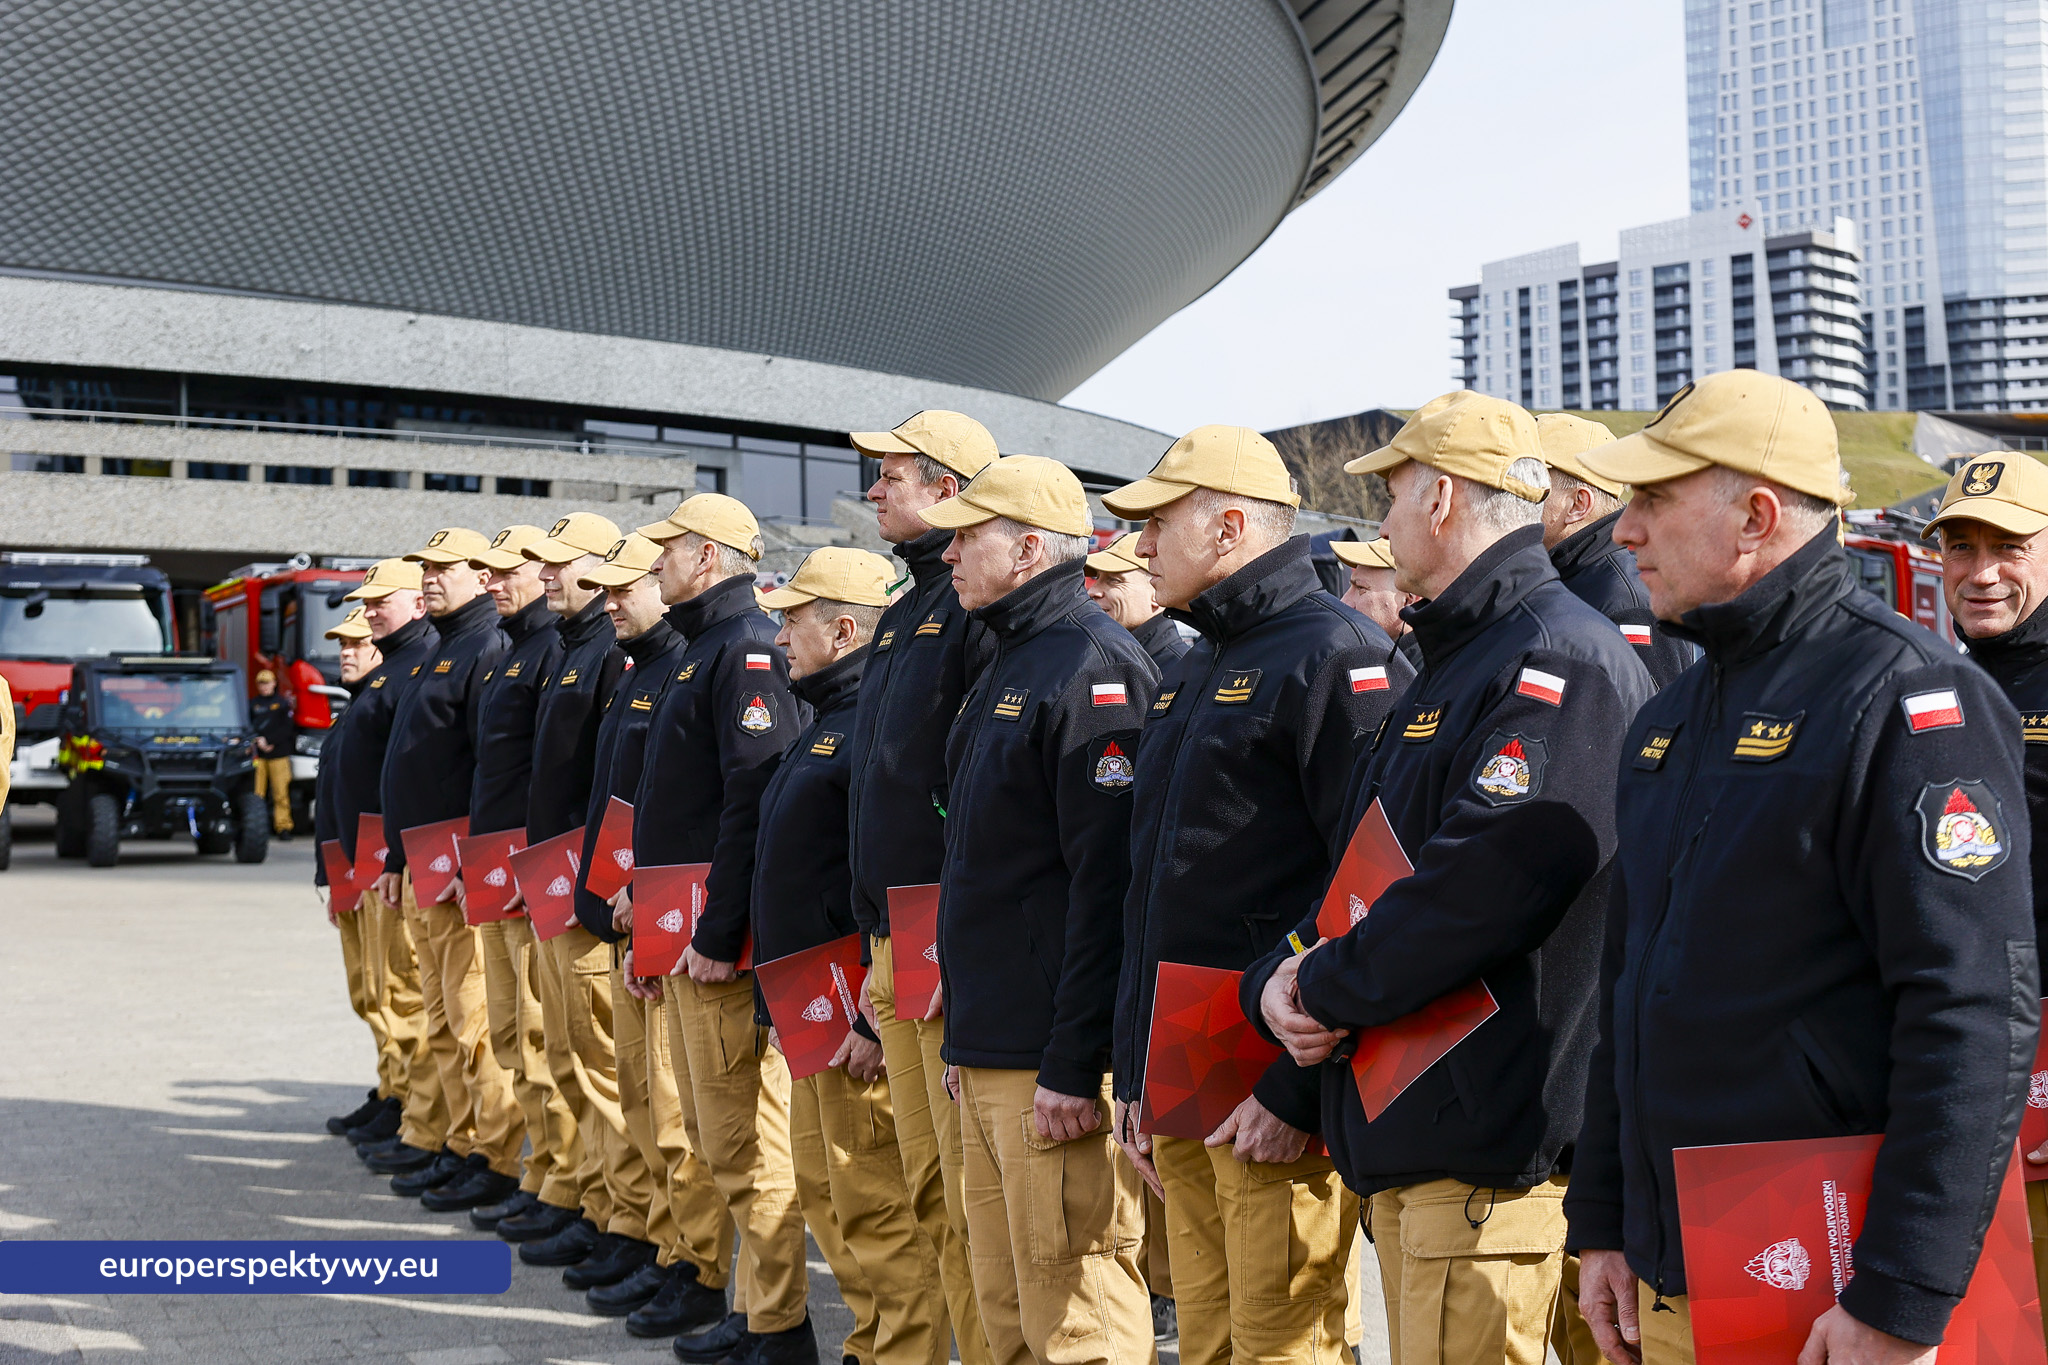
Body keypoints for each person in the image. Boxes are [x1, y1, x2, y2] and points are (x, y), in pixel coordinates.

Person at [1564, 372, 2035, 1365]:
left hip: (1828, 1281)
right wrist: (1603, 1220)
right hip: (1680, 1261)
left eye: (1651, 499)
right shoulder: (1669, 719)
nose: (1621, 532)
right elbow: (1629, 995)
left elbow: (1970, 1010)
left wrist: (1900, 1292)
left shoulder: (1906, 697)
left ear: (1756, 515)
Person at [1244, 391, 1653, 1365]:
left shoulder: (1549, 657)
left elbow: (1479, 885)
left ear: (1438, 500)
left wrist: (1320, 986)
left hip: (1482, 1138)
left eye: (1386, 498)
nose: (1376, 525)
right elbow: (1372, 864)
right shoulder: (1461, 656)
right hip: (1427, 1119)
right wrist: (1286, 967)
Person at [1101, 424, 1410, 1365]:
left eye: (1158, 521)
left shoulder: (1336, 656)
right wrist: (1136, 1068)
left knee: (1285, 1340)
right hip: (1187, 1052)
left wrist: (1297, 1087)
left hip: (1272, 1059)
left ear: (1230, 523)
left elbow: (1369, 894)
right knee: (1209, 1333)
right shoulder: (1197, 663)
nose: (1139, 544)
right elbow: (1153, 886)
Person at [920, 454, 1160, 1365]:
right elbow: (986, 862)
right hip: (992, 1048)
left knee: (1075, 1312)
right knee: (1005, 1306)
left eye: (967, 535)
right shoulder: (1012, 659)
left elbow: (1106, 888)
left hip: (1049, 1066)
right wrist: (967, 1040)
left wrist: (1071, 1060)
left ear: (1026, 549)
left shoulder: (1094, 669)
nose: (948, 555)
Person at [741, 546, 944, 1365]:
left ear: (846, 628)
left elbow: (893, 884)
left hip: (850, 1008)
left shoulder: (865, 729)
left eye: (794, 618)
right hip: (809, 1005)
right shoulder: (826, 719)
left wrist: (867, 1006)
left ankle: (904, 1349)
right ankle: (870, 1341)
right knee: (830, 1191)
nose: (780, 634)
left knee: (876, 1199)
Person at [630, 493, 815, 1365]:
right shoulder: (702, 645)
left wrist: (721, 930)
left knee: (746, 1141)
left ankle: (779, 1324)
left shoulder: (742, 648)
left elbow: (754, 799)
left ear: (708, 557)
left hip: (721, 948)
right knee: (718, 1139)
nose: (655, 561)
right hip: (688, 933)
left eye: (669, 548)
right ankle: (757, 1310)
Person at [844, 409, 1000, 1365]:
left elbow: (978, 797)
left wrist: (951, 940)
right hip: (891, 937)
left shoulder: (973, 611)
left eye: (891, 474)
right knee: (929, 1184)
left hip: (940, 941)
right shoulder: (909, 611)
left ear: (946, 487)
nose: (874, 490)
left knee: (967, 1191)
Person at [577, 534, 738, 1342]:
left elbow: (731, 802)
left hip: (688, 923)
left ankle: (699, 1264)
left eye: (625, 583)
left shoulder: (716, 656)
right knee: (647, 1097)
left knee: (684, 1113)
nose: (610, 600)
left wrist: (695, 917)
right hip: (647, 912)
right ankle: (667, 1243)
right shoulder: (658, 664)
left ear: (701, 560)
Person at [1925, 451, 2048, 1331]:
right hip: (1972, 1078)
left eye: (2009, 545)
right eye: (1961, 546)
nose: (1982, 572)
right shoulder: (1938, 679)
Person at [372, 528, 519, 1209]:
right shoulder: (445, 646)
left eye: (443, 568)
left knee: (472, 1019)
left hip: (461, 869)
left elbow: (488, 769)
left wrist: (475, 863)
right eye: (424, 568)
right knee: (441, 1015)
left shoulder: (485, 645)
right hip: (428, 863)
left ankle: (492, 1150)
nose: (429, 578)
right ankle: (461, 1138)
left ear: (479, 575)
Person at [450, 522, 577, 1227]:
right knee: (512, 1032)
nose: (494, 583)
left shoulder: (549, 645)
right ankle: (544, 1172)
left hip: (536, 871)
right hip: (500, 865)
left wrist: (540, 868)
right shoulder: (517, 649)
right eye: (489, 574)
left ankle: (561, 1180)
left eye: (507, 572)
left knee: (540, 1033)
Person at [333, 560, 446, 1174]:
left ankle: (420, 1114)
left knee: (411, 996)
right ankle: (402, 1098)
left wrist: (397, 859)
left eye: (381, 603)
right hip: (381, 859)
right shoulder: (398, 672)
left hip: (409, 861)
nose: (370, 613)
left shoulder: (413, 669)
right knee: (384, 994)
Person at [1536, 412, 1697, 690]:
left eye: (1534, 484)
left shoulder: (1627, 600)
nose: (1514, 494)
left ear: (1578, 505)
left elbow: (1651, 720)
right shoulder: (1563, 572)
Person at [317, 607, 396, 1142]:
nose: (347, 651)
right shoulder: (356, 705)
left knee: (392, 990)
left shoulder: (384, 698)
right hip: (350, 865)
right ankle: (391, 1087)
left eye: (358, 642)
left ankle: (404, 1100)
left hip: (378, 865)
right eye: (341, 644)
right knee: (368, 992)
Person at [1085, 530, 1188, 670]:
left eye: (1114, 580)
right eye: (1097, 578)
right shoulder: (1106, 657)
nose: (1092, 591)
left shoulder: (1181, 670)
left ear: (1157, 592)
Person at [1333, 537, 1422, 670]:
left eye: (1361, 589)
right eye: (1350, 586)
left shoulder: (1424, 671)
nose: (1345, 601)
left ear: (1408, 600)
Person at [248, 668, 296, 837]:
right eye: (261, 683)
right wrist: (256, 740)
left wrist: (271, 742)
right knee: (256, 794)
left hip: (279, 755)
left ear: (274, 683)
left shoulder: (282, 704)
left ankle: (283, 827)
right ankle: (257, 827)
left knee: (281, 794)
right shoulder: (252, 704)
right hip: (259, 756)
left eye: (267, 683)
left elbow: (288, 728)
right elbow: (248, 727)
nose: (264, 687)